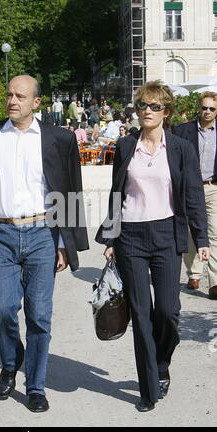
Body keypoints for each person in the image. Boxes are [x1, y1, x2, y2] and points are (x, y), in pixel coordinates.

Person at [0, 74, 89, 413]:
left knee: (40, 315)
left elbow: (68, 189)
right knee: (3, 307)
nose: (12, 101)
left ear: (36, 103)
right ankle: (11, 362)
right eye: (9, 94)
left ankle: (35, 386)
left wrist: (64, 242)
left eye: (20, 96)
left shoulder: (58, 138)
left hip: (43, 233)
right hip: (0, 233)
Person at [96, 80, 209, 412]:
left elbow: (193, 196)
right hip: (130, 235)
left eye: (154, 106)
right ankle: (148, 388)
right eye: (143, 105)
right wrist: (111, 237)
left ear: (166, 111)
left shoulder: (179, 148)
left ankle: (161, 363)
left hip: (166, 235)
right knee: (141, 313)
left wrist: (201, 239)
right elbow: (117, 193)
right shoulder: (125, 145)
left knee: (169, 312)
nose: (147, 111)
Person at [173, 91, 217, 300]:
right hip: (189, 188)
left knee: (214, 233)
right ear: (198, 108)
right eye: (204, 107)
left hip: (213, 187)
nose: (207, 111)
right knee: (191, 233)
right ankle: (194, 273)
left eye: (212, 108)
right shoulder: (183, 131)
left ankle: (215, 282)